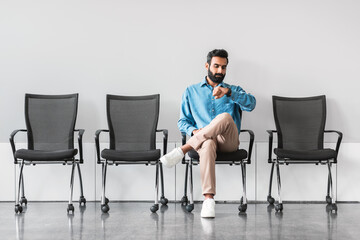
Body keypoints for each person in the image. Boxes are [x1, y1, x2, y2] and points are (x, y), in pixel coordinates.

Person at [160, 49, 256, 218]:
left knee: (225, 117)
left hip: (228, 142)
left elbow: (251, 104)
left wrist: (229, 93)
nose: (220, 71)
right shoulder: (191, 91)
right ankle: (208, 200)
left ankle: (181, 150)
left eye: (224, 67)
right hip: (204, 144)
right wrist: (194, 131)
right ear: (207, 66)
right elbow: (183, 122)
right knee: (208, 142)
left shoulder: (233, 90)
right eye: (216, 66)